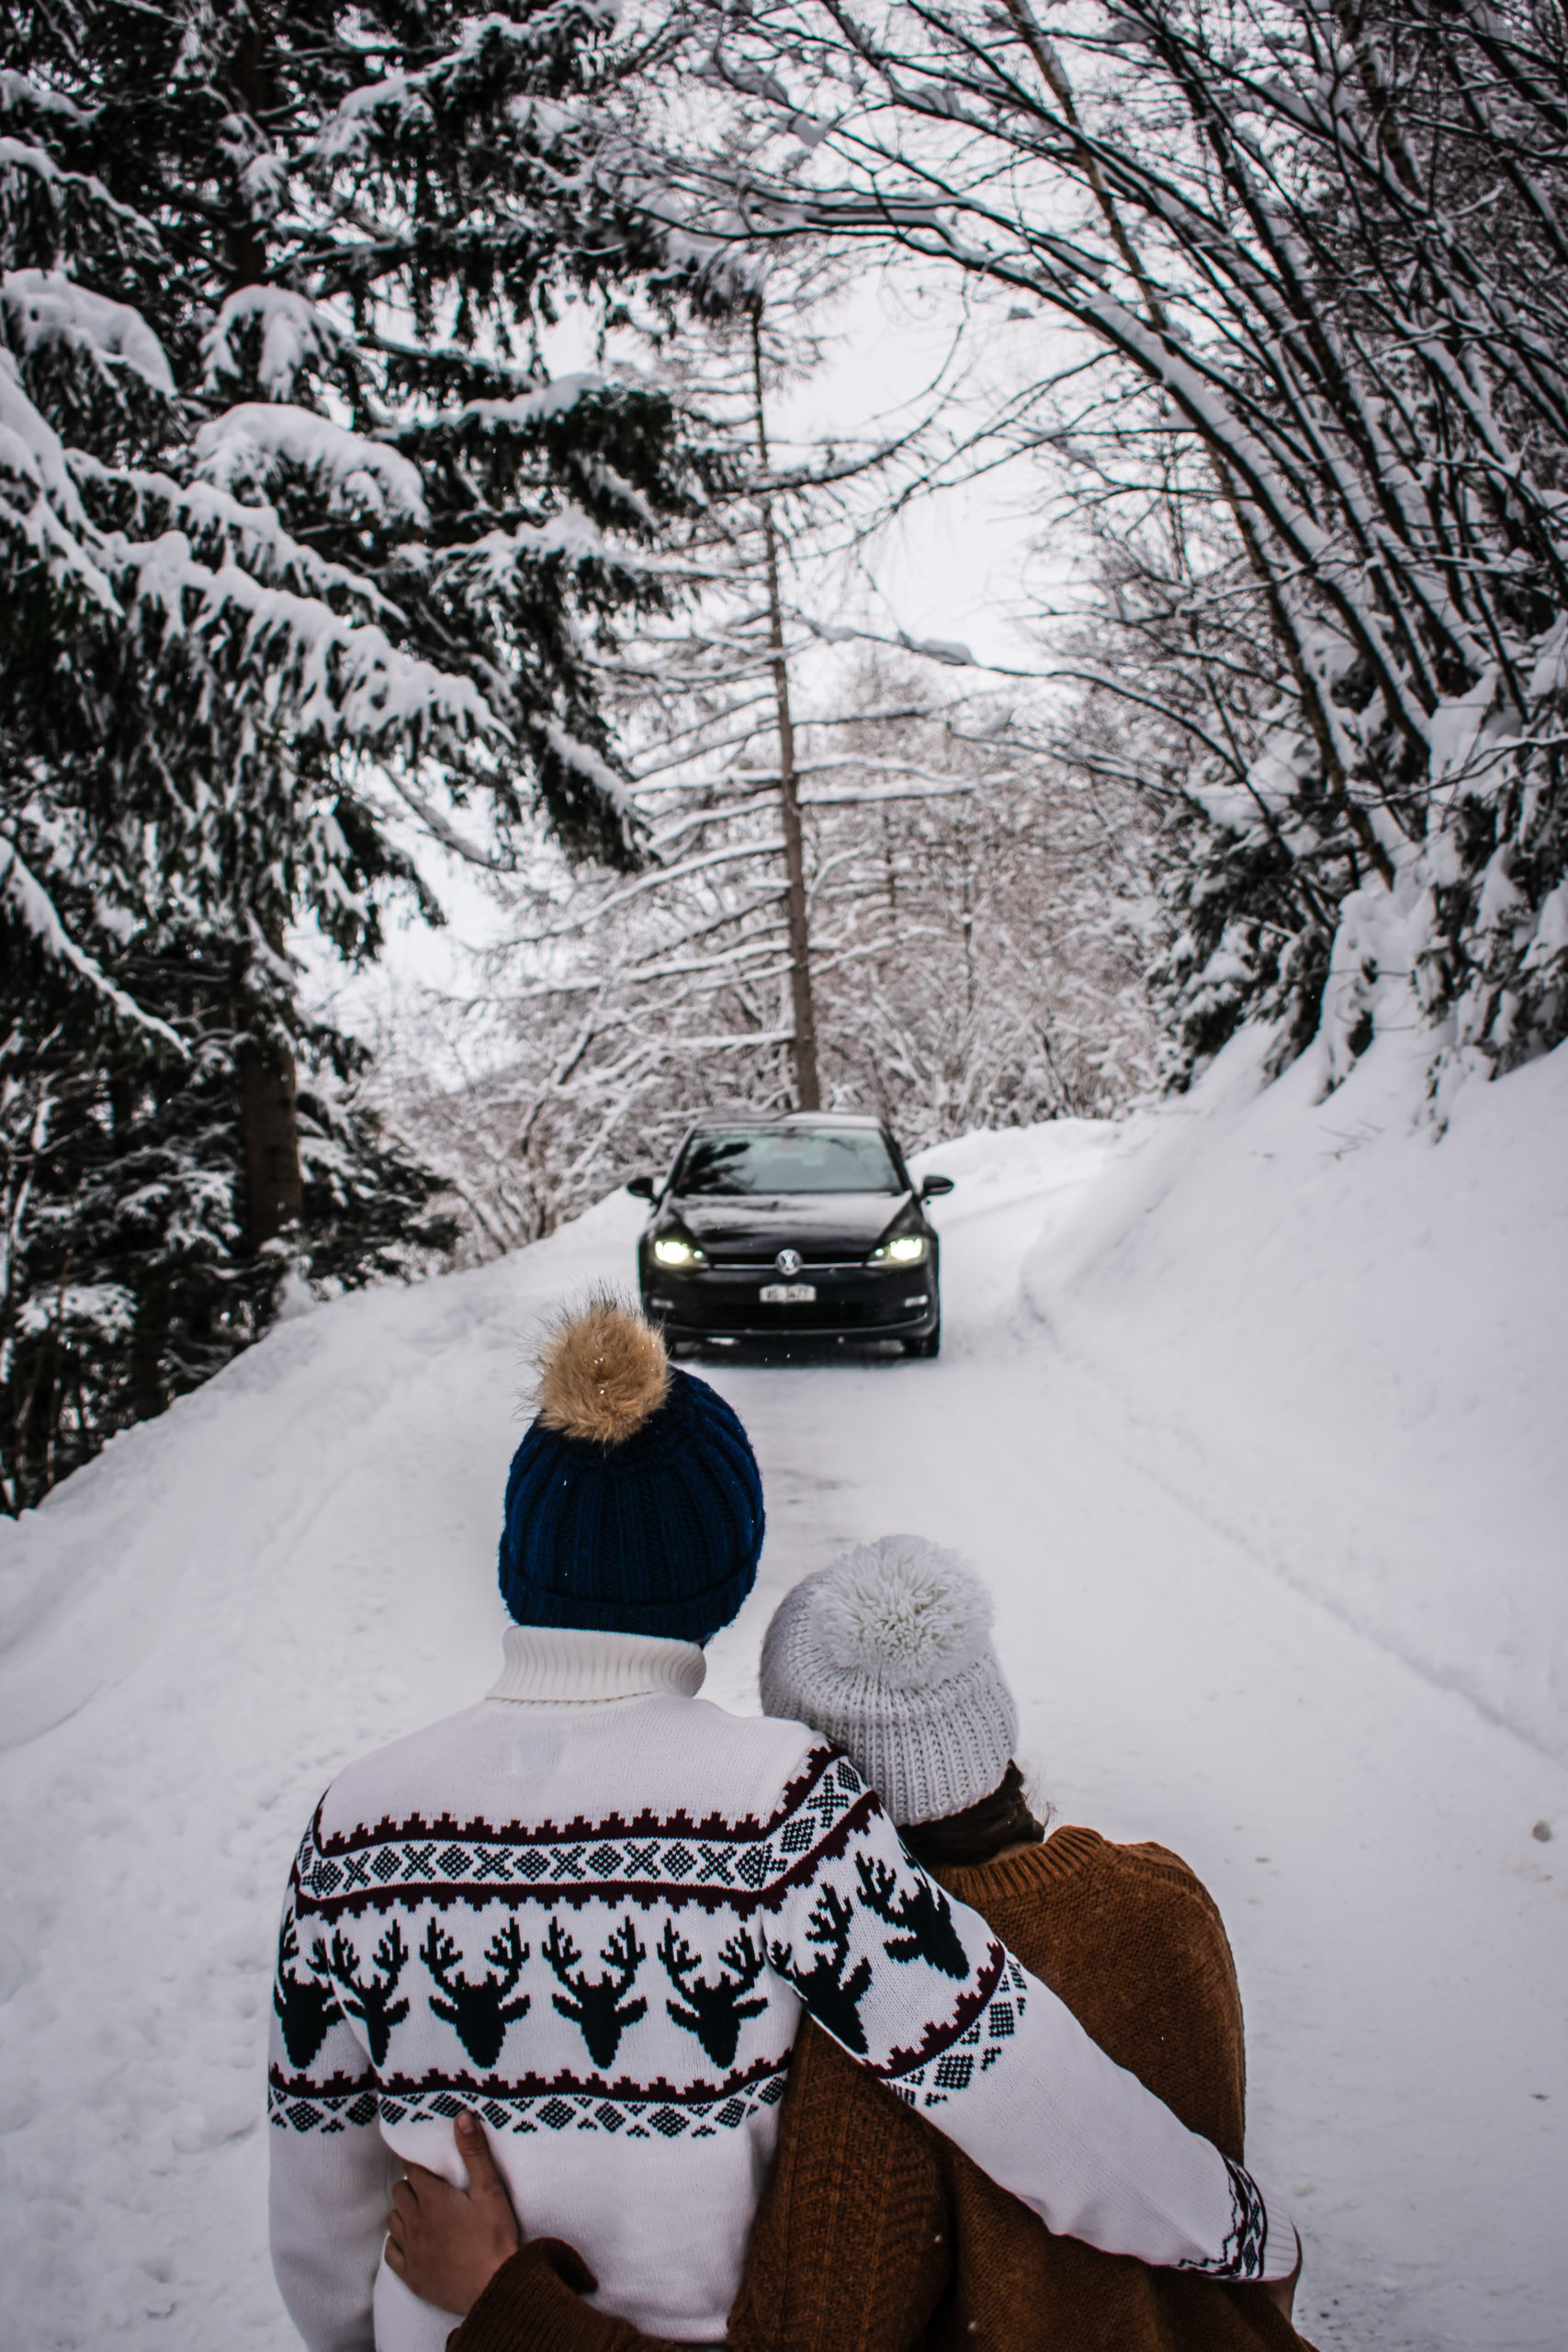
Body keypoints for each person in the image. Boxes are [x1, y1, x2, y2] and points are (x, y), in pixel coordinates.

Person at [269, 1304, 1297, 2352]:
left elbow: (319, 2217)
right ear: (729, 1573)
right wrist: (1234, 2225)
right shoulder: (778, 1805)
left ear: (516, 1560)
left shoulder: (351, 1824)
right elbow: (1011, 2082)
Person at [389, 1540, 1309, 2352]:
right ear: (992, 1720)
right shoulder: (1164, 1899)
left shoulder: (868, 2036)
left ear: (808, 1785)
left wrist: (499, 2303)